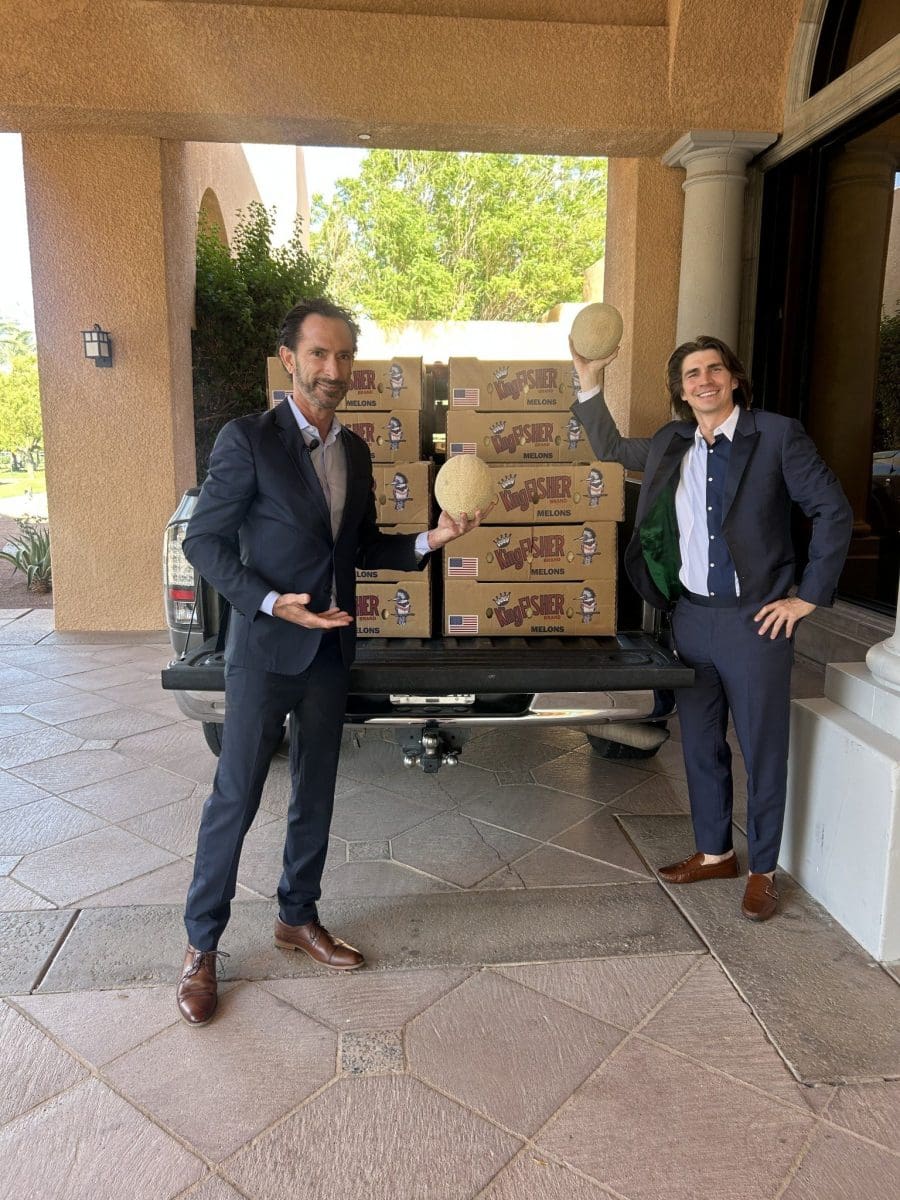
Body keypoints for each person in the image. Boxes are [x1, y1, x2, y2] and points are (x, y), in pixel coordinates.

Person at [177, 298, 484, 1025]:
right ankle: (201, 946)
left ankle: (297, 916)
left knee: (316, 791)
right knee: (236, 798)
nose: (333, 368)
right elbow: (203, 542)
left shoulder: (354, 451)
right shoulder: (248, 440)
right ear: (290, 359)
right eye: (319, 353)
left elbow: (363, 546)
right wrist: (269, 602)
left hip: (330, 649)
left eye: (344, 355)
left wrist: (432, 540)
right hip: (264, 650)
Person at [571, 333, 852, 922]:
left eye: (714, 369)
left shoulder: (776, 435)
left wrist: (807, 598)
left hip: (756, 624)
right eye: (692, 374)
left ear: (734, 378)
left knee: (762, 750)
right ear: (680, 390)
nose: (704, 380)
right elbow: (611, 447)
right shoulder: (672, 441)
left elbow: (832, 509)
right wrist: (590, 379)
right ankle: (715, 852)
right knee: (700, 744)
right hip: (692, 619)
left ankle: (763, 869)